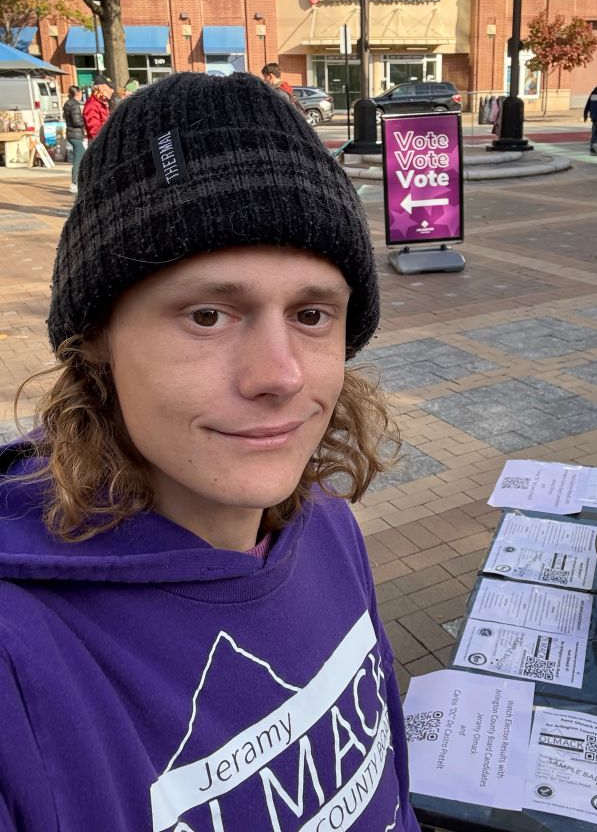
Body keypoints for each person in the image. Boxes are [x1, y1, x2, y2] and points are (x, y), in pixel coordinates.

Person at [0, 72, 420, 831]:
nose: (281, 376)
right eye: (206, 314)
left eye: (313, 314)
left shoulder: (324, 526)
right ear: (96, 337)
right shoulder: (22, 659)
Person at [62, 84, 85, 194]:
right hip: (76, 134)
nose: (81, 95)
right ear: (77, 93)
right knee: (79, 159)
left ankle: (76, 182)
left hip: (71, 133)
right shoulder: (74, 105)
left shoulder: (67, 103)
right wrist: (84, 122)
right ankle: (74, 183)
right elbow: (77, 121)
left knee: (79, 158)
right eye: (81, 93)